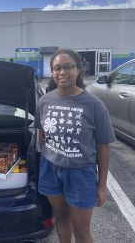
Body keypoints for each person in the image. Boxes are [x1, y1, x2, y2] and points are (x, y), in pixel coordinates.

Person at [35, 49, 116, 243]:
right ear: (52, 72)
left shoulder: (93, 104)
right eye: (57, 68)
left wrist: (101, 186)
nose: (62, 72)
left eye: (68, 67)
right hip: (51, 170)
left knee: (81, 231)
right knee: (61, 219)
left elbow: (103, 146)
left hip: (81, 174)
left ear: (78, 70)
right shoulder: (45, 101)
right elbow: (41, 132)